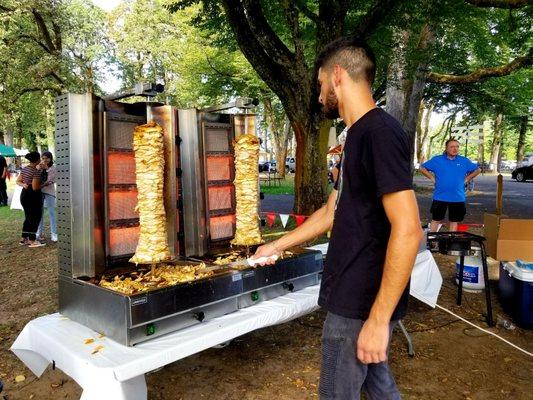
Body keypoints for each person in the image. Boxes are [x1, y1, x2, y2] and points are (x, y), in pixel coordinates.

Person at [253, 37, 422, 399]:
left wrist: (378, 320)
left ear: (337, 76)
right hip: (357, 296)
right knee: (379, 387)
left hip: (359, 302)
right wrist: (276, 245)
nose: (318, 96)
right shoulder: (356, 137)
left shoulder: (380, 134)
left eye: (319, 85)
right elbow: (332, 211)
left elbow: (408, 230)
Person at [419, 139, 481, 232]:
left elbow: (478, 170)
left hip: (458, 197)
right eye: (452, 147)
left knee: (454, 221)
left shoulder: (464, 161)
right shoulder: (437, 160)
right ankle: (431, 241)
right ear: (446, 148)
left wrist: (467, 179)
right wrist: (432, 178)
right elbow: (422, 168)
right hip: (440, 196)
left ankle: (451, 241)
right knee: (436, 220)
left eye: (457, 146)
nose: (455, 149)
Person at [16, 151, 45, 247]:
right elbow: (35, 187)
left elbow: (18, 181)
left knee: (28, 216)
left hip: (24, 195)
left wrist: (24, 184)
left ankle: (24, 238)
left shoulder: (25, 169)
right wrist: (45, 184)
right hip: (33, 196)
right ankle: (32, 240)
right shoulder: (35, 171)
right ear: (37, 160)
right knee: (35, 217)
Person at [36, 151, 57, 242]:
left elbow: (51, 180)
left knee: (52, 213)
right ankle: (39, 233)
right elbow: (36, 178)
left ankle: (54, 234)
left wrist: (47, 169)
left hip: (49, 192)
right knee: (40, 214)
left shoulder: (53, 167)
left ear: (50, 158)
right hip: (39, 192)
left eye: (47, 158)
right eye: (43, 158)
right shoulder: (39, 167)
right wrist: (39, 169)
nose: (45, 160)